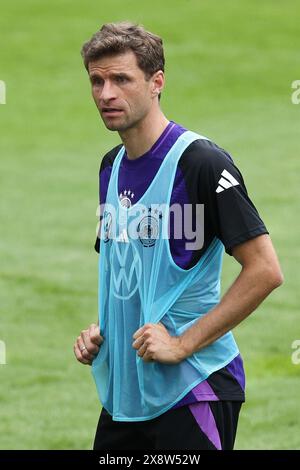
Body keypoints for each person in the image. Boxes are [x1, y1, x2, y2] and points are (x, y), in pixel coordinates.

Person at [74, 22, 283, 450]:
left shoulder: (200, 163)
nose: (105, 94)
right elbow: (130, 277)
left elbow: (265, 270)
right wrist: (102, 333)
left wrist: (183, 343)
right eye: (97, 80)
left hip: (194, 392)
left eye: (121, 79)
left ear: (156, 83)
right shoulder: (110, 167)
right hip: (126, 398)